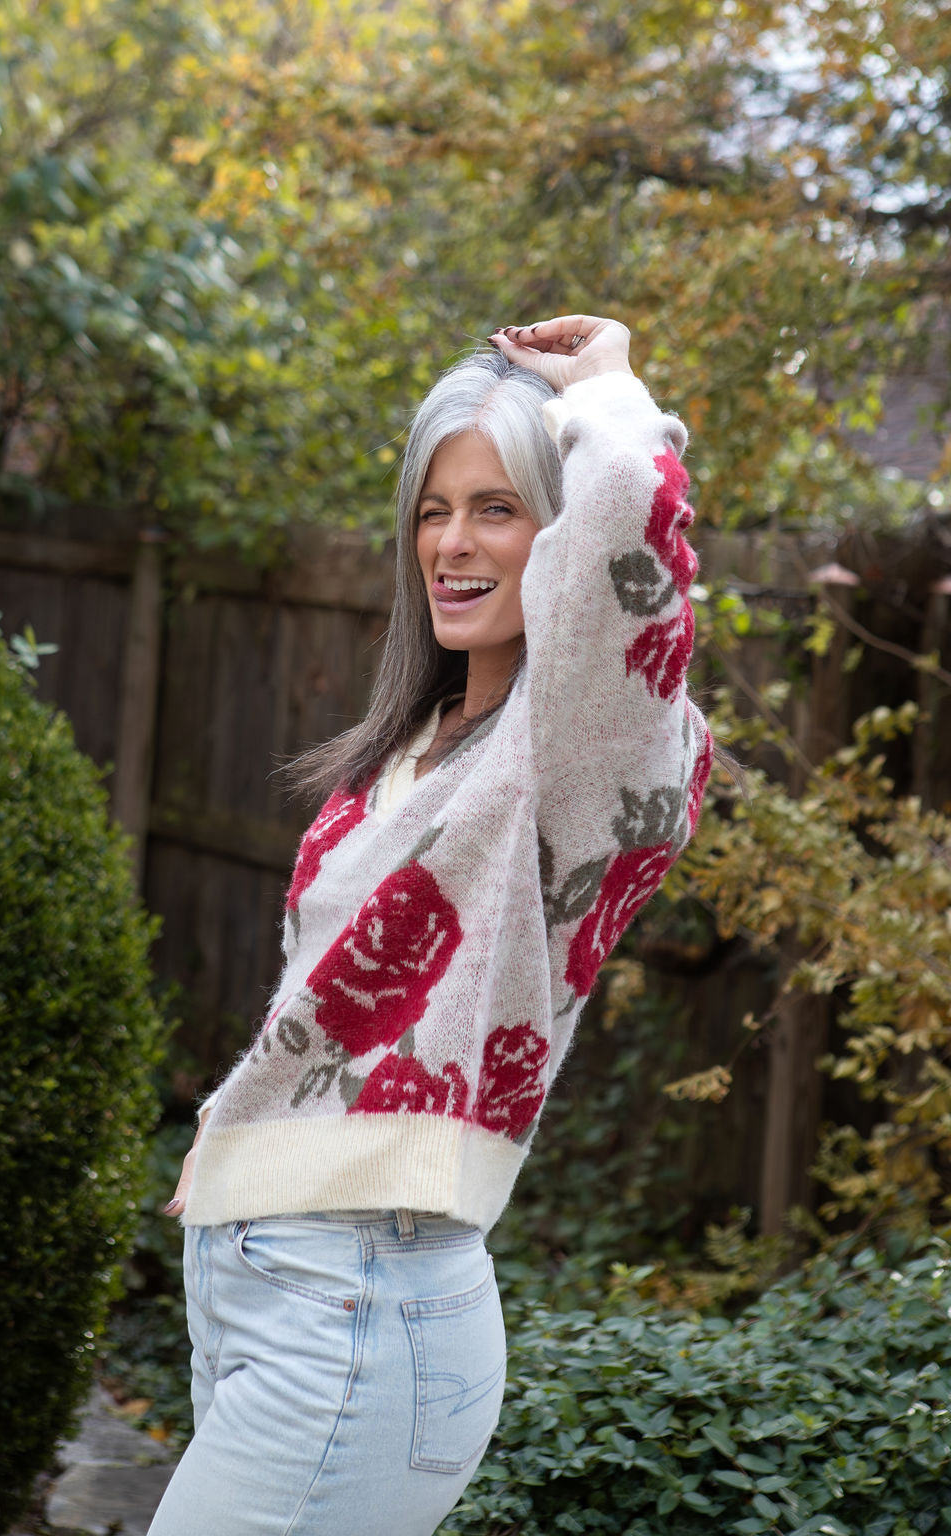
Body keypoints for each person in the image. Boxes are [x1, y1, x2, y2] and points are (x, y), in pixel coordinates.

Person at [148, 314, 713, 1536]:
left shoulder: (581, 756)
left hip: (361, 1298)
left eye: (497, 509)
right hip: (269, 1289)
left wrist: (608, 382)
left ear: (558, 531)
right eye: (433, 509)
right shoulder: (412, 746)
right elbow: (331, 992)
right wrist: (236, 1139)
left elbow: (627, 523)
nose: (451, 544)